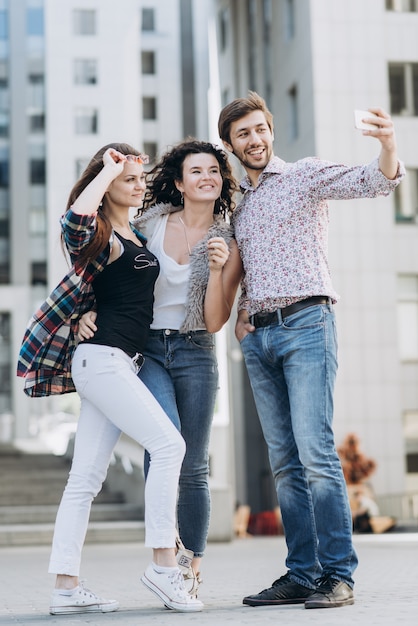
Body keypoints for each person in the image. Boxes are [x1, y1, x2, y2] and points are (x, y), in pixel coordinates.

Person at [217, 92, 405, 609]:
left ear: (271, 130)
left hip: (307, 325)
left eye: (259, 129)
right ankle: (301, 573)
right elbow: (246, 266)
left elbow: (375, 180)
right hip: (260, 338)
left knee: (316, 453)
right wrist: (242, 315)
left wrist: (388, 143)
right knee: (283, 462)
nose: (254, 140)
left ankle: (338, 575)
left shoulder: (304, 175)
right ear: (230, 145)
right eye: (242, 134)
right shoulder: (239, 205)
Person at [17, 143, 203, 614]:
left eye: (141, 179)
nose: (139, 185)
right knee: (169, 445)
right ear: (106, 186)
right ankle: (164, 567)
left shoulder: (134, 232)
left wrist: (88, 311)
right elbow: (73, 222)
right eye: (129, 180)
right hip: (102, 361)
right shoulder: (99, 233)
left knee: (84, 479)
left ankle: (65, 588)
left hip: (112, 361)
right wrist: (107, 169)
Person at [78, 139, 242, 599]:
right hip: (145, 349)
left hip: (195, 350)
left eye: (214, 171)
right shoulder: (146, 223)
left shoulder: (228, 239)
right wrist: (83, 312)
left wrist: (215, 270)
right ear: (178, 182)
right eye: (197, 171)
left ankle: (190, 564)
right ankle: (162, 556)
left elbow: (213, 321)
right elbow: (106, 271)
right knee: (162, 439)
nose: (207, 177)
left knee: (193, 464)